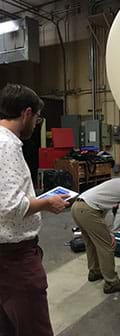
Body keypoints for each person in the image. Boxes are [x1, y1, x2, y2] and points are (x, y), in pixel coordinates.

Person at [0, 83, 70, 336]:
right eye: (38, 118)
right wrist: (47, 203)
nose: (37, 124)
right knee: (33, 328)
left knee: (9, 325)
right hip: (15, 259)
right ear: (26, 113)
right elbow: (10, 206)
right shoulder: (7, 146)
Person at [71, 164, 120, 294]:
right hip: (89, 210)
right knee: (107, 246)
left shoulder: (117, 182)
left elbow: (107, 209)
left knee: (91, 243)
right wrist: (112, 233)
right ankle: (112, 282)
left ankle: (95, 271)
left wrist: (108, 229)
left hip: (77, 206)